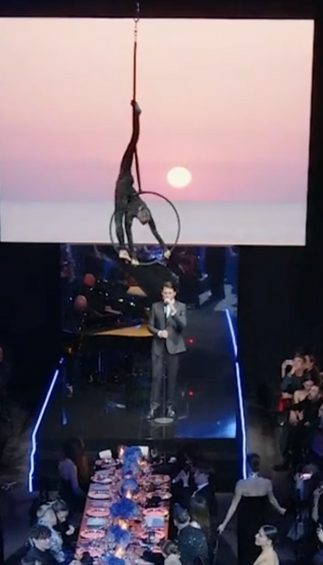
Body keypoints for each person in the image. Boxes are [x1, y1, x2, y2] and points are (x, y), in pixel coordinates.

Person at [111, 100, 166, 251]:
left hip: (124, 185)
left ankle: (123, 249)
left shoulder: (132, 210)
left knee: (119, 220)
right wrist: (165, 249)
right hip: (125, 182)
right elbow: (153, 231)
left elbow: (130, 233)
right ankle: (137, 115)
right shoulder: (136, 207)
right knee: (133, 139)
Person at [218, 456, 283, 565]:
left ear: (247, 465)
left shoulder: (242, 484)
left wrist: (224, 524)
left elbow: (234, 506)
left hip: (245, 526)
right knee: (260, 554)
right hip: (261, 525)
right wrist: (280, 509)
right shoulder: (267, 483)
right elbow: (272, 500)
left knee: (244, 558)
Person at [148, 281, 188, 419]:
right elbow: (150, 326)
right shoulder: (155, 306)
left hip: (174, 347)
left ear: (174, 294)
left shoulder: (181, 307)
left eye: (170, 293)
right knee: (156, 377)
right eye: (165, 293)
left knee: (172, 378)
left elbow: (183, 325)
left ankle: (170, 407)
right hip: (158, 347)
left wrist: (174, 310)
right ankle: (154, 407)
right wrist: (159, 333)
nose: (167, 295)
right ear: (162, 293)